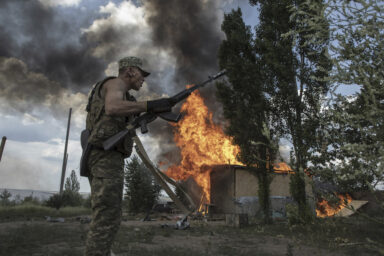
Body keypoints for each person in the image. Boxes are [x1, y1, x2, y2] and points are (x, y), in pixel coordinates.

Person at [83, 56, 172, 256]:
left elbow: (121, 118)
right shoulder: (115, 84)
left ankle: (103, 251)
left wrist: (151, 112)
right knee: (107, 214)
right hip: (105, 157)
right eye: (142, 74)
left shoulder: (126, 97)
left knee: (109, 213)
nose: (144, 79)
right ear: (130, 71)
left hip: (106, 157)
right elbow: (112, 108)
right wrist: (150, 105)